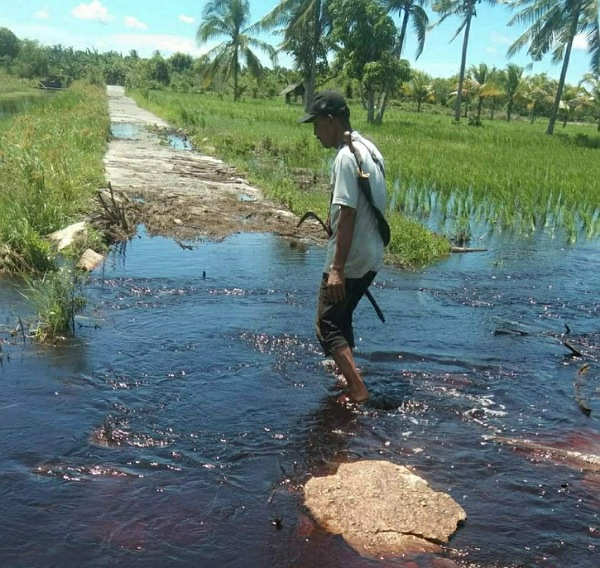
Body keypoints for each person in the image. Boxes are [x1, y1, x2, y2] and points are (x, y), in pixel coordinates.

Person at [299, 90, 387, 403]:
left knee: (327, 323)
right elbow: (353, 206)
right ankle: (346, 377)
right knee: (343, 314)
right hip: (371, 255)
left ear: (331, 120)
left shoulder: (345, 156)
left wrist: (337, 268)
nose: (314, 132)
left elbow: (348, 213)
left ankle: (358, 390)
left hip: (350, 258)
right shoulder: (369, 150)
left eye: (317, 124)